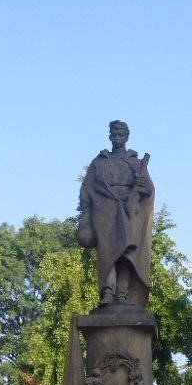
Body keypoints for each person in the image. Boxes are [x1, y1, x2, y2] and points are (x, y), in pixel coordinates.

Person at [77, 120, 155, 307]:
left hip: (130, 213)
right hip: (104, 212)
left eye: (121, 135)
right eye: (114, 135)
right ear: (110, 136)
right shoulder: (99, 162)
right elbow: (86, 191)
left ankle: (122, 292)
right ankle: (108, 292)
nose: (117, 138)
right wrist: (85, 219)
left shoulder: (135, 162)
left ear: (127, 137)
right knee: (107, 252)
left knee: (127, 253)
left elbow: (149, 190)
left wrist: (142, 186)